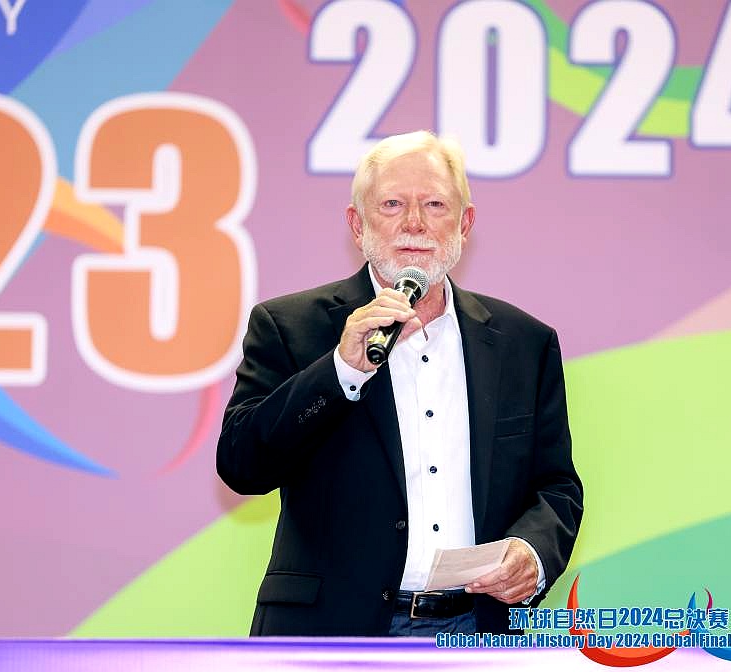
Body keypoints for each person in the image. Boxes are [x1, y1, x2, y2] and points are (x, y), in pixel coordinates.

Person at [217, 131, 583, 636]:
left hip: (477, 628)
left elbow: (557, 486)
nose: (414, 223)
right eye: (392, 204)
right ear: (358, 224)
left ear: (465, 223)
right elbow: (243, 466)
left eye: (435, 204)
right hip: (332, 631)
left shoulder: (523, 342)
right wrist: (342, 370)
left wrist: (533, 553)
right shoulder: (290, 326)